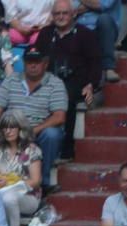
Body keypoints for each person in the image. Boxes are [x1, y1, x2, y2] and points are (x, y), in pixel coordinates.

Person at [0, 48, 67, 193]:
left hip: (38, 131)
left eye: (37, 62)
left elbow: (59, 116)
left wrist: (33, 130)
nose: (33, 65)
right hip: (10, 129)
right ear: (23, 62)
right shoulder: (11, 80)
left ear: (45, 64)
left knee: (52, 134)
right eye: (29, 62)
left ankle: (44, 182)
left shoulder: (55, 83)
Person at [32, 0, 101, 162]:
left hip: (75, 82)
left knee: (64, 95)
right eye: (57, 13)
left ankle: (67, 149)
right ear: (52, 16)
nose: (61, 17)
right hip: (48, 80)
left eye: (65, 13)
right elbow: (34, 58)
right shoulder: (46, 34)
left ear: (73, 14)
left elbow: (95, 63)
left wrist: (91, 85)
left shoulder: (85, 34)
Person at [0, 110, 43, 226]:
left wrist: (12, 183)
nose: (8, 131)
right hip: (1, 193)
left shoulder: (32, 150)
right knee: (0, 196)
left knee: (8, 197)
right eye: (5, 128)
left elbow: (35, 181)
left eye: (12, 127)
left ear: (21, 129)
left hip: (27, 196)